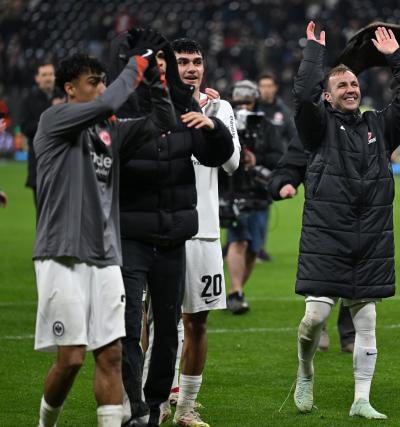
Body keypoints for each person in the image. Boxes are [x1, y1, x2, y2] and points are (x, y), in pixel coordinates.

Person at [31, 29, 174, 427]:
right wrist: (137, 64)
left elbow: (164, 120)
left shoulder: (108, 132)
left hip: (107, 256)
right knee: (72, 357)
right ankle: (46, 423)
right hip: (62, 253)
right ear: (69, 89)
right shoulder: (54, 120)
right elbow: (112, 100)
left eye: (102, 82)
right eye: (93, 83)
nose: (101, 90)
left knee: (110, 355)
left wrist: (156, 82)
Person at [291, 22, 400, 419]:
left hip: (370, 240)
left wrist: (396, 56)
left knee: (366, 321)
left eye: (354, 84)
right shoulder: (318, 129)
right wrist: (315, 54)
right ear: (329, 97)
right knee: (314, 318)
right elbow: (301, 98)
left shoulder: (379, 127)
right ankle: (305, 370)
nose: (351, 89)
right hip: (326, 238)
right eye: (342, 86)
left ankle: (361, 399)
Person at [115, 33, 235, 426]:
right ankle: (136, 406)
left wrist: (212, 124)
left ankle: (169, 406)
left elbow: (223, 159)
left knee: (178, 326)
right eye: (168, 64)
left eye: (192, 62)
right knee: (136, 324)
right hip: (137, 231)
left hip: (184, 233)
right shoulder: (128, 108)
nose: (185, 70)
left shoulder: (202, 106)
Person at [269, 134, 356, 353]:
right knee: (322, 273)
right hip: (322, 219)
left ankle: (350, 334)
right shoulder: (313, 127)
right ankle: (320, 325)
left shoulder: (365, 126)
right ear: (327, 96)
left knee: (357, 277)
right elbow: (292, 163)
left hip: (361, 218)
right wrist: (286, 182)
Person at [222, 80, 283, 314]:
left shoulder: (266, 126)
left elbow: (278, 156)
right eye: (239, 103)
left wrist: (256, 159)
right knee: (238, 242)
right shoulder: (225, 125)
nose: (243, 107)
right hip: (233, 191)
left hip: (259, 193)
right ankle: (235, 293)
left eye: (247, 102)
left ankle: (237, 291)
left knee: (254, 248)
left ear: (255, 101)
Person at [256, 72, 297, 262]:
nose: (265, 89)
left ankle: (259, 247)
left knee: (263, 206)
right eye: (262, 85)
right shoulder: (252, 108)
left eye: (268, 85)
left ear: (275, 88)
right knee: (240, 204)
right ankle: (236, 243)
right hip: (250, 164)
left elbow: (293, 139)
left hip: (272, 166)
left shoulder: (284, 113)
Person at [20, 62, 63, 206]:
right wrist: (51, 111)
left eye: (51, 74)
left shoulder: (65, 96)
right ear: (37, 78)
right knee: (42, 216)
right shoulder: (29, 100)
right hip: (39, 164)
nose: (48, 78)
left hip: (62, 164)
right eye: (44, 75)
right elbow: (26, 128)